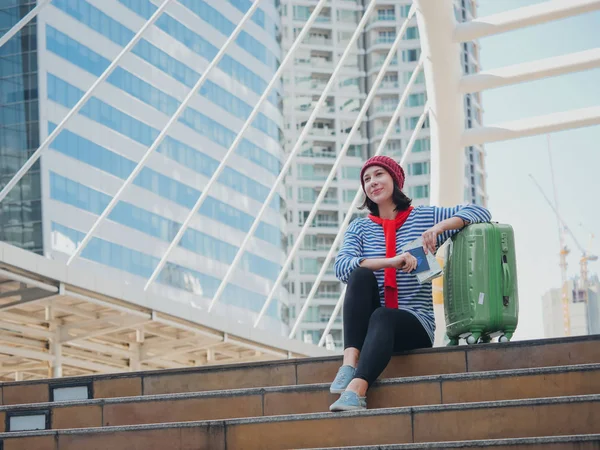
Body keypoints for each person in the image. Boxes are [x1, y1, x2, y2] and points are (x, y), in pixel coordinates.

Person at [329, 155, 491, 412]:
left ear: (395, 179)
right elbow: (341, 267)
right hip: (371, 329)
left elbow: (480, 211)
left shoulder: (422, 217)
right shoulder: (358, 228)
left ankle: (357, 390)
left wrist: (438, 229)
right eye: (367, 179)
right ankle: (350, 363)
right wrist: (391, 261)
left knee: (384, 316)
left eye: (379, 174)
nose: (373, 182)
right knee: (359, 275)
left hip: (415, 324)